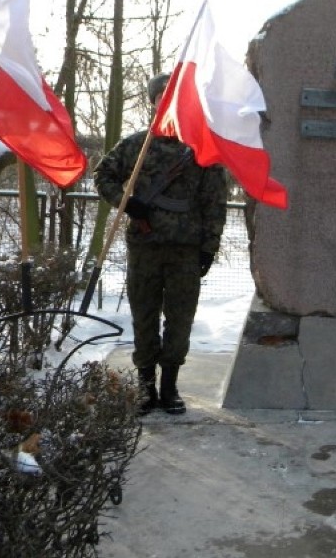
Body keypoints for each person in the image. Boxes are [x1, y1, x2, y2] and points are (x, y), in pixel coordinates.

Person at [94, 73, 228, 415]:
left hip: (185, 250)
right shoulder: (137, 145)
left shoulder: (201, 150)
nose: (167, 103)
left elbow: (215, 203)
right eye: (161, 97)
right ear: (153, 102)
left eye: (175, 98)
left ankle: (169, 386)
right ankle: (145, 385)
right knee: (144, 316)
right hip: (145, 246)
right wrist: (126, 202)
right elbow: (102, 175)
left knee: (180, 320)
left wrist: (209, 248)